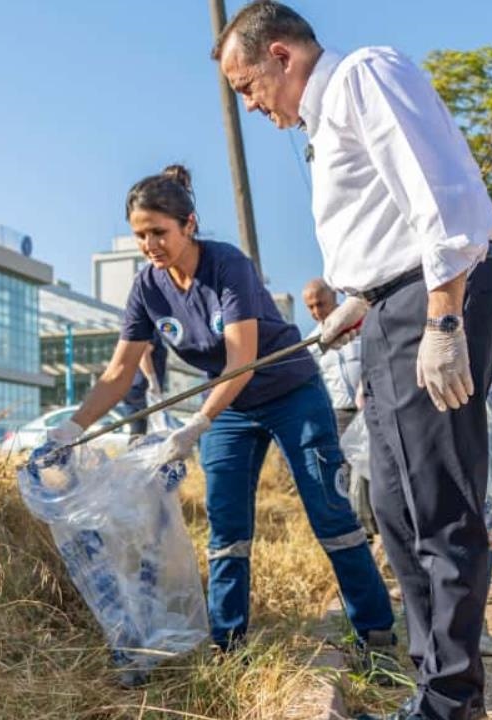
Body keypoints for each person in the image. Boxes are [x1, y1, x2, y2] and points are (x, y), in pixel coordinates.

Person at [214, 4, 492, 718]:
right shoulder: (327, 115)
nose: (252, 106)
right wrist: (362, 299)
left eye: (248, 86)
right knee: (393, 502)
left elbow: (436, 193)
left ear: (281, 55)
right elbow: (384, 223)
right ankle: (430, 679)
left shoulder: (360, 76)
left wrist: (441, 314)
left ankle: (450, 700)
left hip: (434, 297)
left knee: (436, 503)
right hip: (390, 306)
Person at [36, 165, 399, 676]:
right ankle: (229, 646)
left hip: (288, 392)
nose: (150, 245)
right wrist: (71, 430)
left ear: (189, 224)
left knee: (331, 516)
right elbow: (119, 371)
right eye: (141, 235)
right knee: (227, 528)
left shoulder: (229, 265)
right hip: (230, 410)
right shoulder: (147, 288)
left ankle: (375, 635)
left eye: (159, 232)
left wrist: (196, 425)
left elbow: (241, 358)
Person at [303, 278, 374, 535]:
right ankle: (360, 530)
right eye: (309, 307)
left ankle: (383, 529)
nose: (315, 311)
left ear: (333, 296)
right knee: (345, 472)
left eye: (319, 303)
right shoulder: (311, 343)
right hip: (340, 415)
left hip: (371, 407)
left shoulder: (360, 321)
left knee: (374, 470)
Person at [122, 336, 168, 437]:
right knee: (158, 428)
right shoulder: (150, 331)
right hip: (144, 388)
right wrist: (152, 380)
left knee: (137, 431)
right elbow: (143, 354)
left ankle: (136, 450)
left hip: (131, 386)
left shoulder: (133, 332)